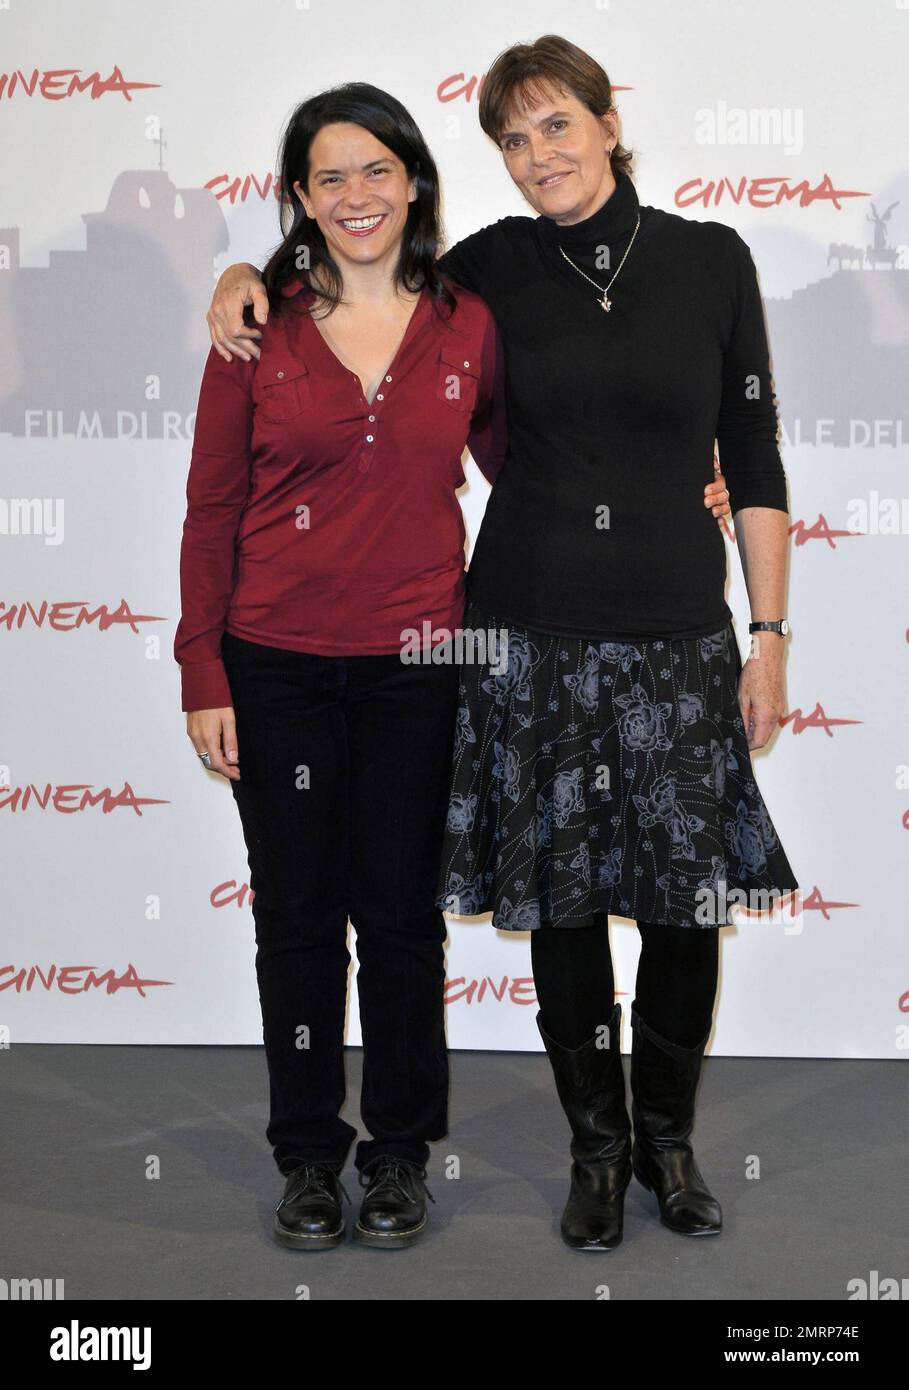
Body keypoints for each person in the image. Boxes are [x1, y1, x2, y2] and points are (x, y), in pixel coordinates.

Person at [203, 43, 754, 1255]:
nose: (539, 154)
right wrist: (240, 270)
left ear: (610, 126)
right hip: (401, 647)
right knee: (389, 913)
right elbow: (224, 485)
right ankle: (420, 1160)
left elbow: (646, 449)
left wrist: (718, 563)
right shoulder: (381, 301)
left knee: (591, 910)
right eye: (515, 138)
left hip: (547, 643)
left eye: (557, 127)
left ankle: (585, 1146)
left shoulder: (625, 277)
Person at [176, 83, 511, 1251]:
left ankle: (401, 1154)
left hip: (421, 661)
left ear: (413, 179)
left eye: (376, 170)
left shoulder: (468, 319)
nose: (356, 195)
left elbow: (536, 461)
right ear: (300, 197)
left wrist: (689, 486)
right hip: (274, 666)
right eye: (330, 177)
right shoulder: (254, 325)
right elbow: (212, 502)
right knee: (300, 922)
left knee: (404, 922)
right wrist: (201, 670)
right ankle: (310, 1156)